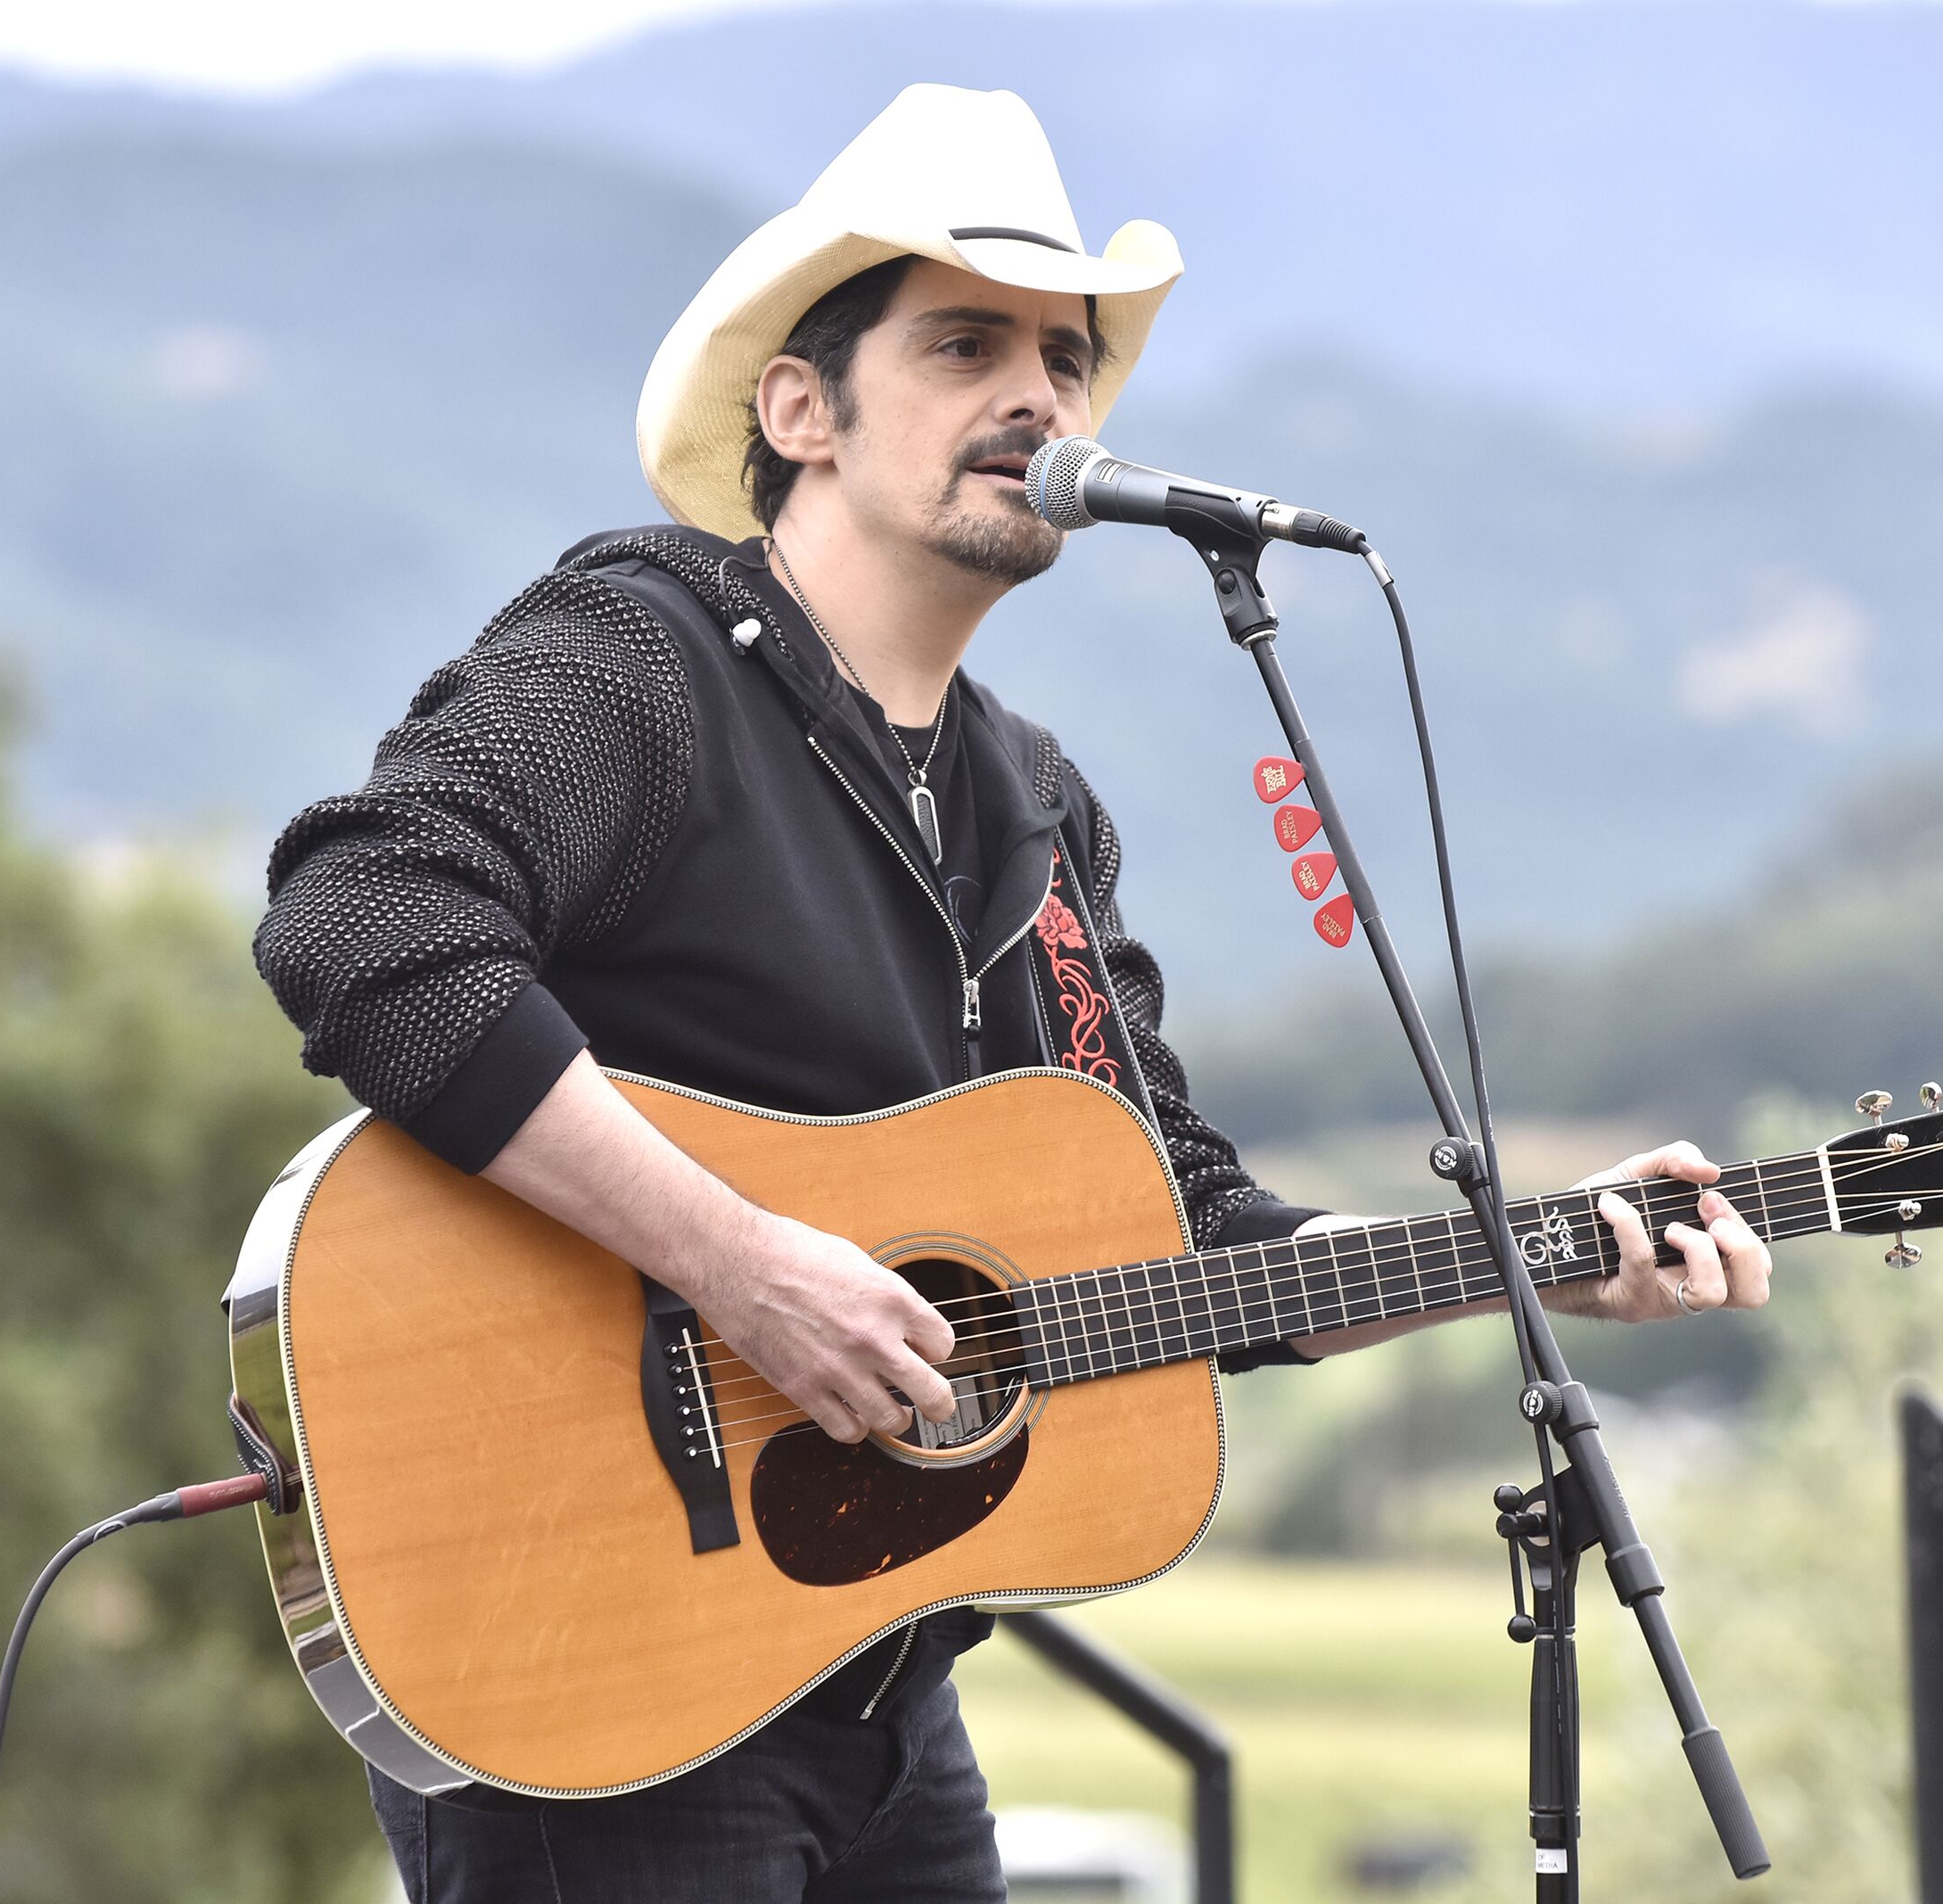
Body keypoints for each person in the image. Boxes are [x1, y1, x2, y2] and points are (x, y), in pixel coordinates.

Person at [254, 82, 1771, 1904]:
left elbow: (1184, 1224)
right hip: (598, 1662)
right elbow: (362, 917)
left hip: (876, 1686)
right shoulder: (642, 663)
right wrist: (736, 1262)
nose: (1040, 399)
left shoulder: (1033, 808)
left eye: (1066, 357)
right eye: (967, 342)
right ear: (798, 410)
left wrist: (1540, 1259)